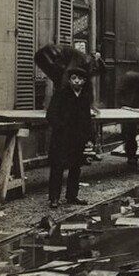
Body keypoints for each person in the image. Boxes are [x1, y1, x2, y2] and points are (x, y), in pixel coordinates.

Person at [46, 66, 93, 207]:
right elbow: (51, 115)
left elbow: (87, 119)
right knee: (57, 167)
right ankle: (54, 198)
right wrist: (61, 127)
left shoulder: (84, 97)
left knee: (75, 167)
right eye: (73, 78)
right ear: (69, 80)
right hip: (62, 138)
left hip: (78, 139)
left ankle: (72, 196)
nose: (76, 81)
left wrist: (89, 137)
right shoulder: (61, 94)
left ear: (84, 81)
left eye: (80, 79)